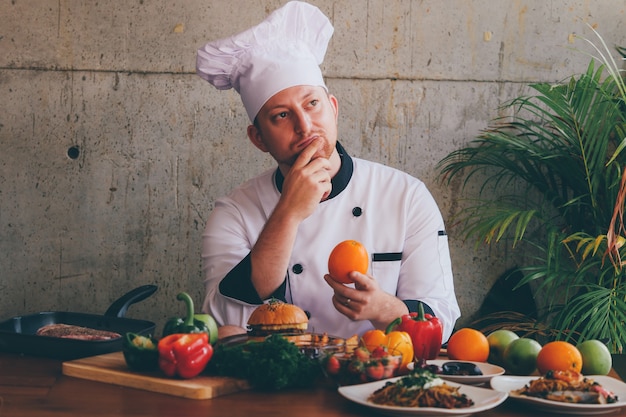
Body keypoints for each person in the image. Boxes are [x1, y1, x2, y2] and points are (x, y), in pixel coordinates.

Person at [196, 1, 460, 341]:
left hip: (378, 380)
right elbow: (224, 321)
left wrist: (384, 309)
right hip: (281, 386)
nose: (305, 126)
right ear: (258, 137)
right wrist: (288, 214)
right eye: (281, 115)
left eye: (312, 104)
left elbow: (442, 320)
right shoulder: (235, 211)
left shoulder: (405, 196)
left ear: (333, 109)